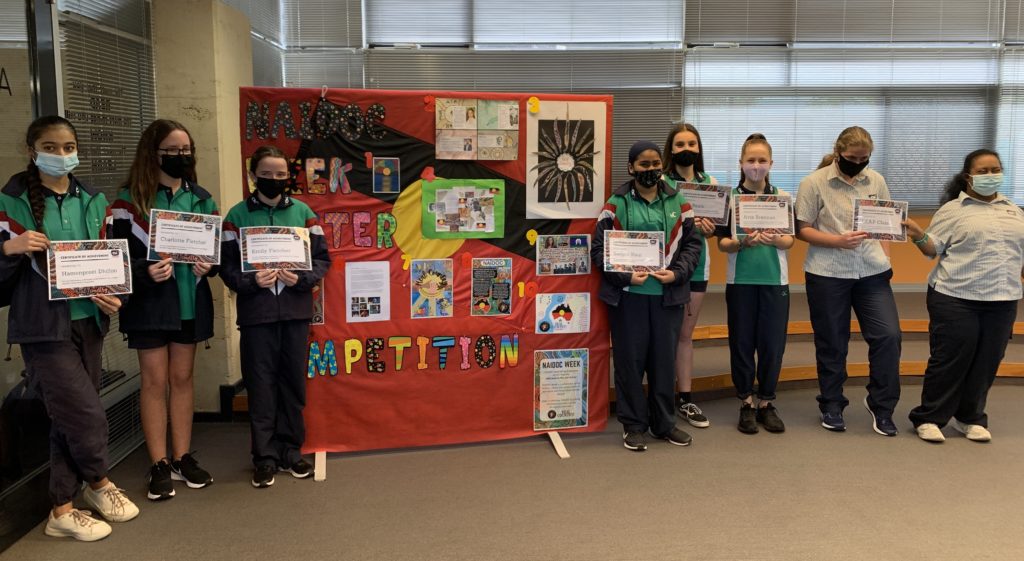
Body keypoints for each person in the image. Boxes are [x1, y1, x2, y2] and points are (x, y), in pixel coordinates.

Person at [0, 116, 139, 540]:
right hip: (43, 329)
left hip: (89, 322)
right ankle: (99, 481)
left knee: (68, 416)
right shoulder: (10, 202)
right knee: (86, 415)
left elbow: (110, 260)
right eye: (50, 147)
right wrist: (9, 248)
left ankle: (62, 508)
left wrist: (116, 296)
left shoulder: (95, 199)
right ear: (32, 151)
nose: (60, 155)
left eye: (67, 147)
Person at [108, 119, 219, 500]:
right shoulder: (127, 202)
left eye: (185, 150)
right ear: (152, 153)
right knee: (154, 382)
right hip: (149, 305)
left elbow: (214, 254)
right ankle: (158, 462)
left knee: (182, 379)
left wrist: (209, 267)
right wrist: (145, 271)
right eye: (171, 150)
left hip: (190, 301)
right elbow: (116, 259)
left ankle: (182, 456)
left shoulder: (202, 199)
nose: (180, 156)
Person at [221, 146, 332, 487]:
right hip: (257, 315)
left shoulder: (304, 213)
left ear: (289, 177)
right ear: (253, 176)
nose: (274, 180)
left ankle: (291, 451)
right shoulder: (236, 216)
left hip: (296, 313)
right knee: (261, 385)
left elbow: (323, 259)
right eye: (266, 174)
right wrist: (251, 281)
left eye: (280, 175)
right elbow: (226, 267)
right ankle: (264, 457)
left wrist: (303, 279)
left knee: (292, 384)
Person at [903, 149, 1024, 443]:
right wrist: (917, 233)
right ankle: (929, 417)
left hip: (1003, 299)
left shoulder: (1014, 211)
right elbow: (933, 249)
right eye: (982, 171)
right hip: (955, 297)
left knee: (987, 361)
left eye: (995, 169)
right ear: (968, 177)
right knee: (950, 359)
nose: (990, 175)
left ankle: (969, 417)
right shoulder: (952, 210)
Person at [592, 140, 703, 451]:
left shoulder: (679, 201)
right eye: (644, 164)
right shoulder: (615, 204)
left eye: (655, 164)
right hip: (629, 297)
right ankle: (633, 426)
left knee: (664, 363)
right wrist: (625, 276)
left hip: (668, 296)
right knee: (630, 363)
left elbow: (693, 245)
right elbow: (599, 250)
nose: (651, 169)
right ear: (631, 167)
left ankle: (664, 424)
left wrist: (677, 274)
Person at [795, 126, 901, 436]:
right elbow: (802, 229)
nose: (858, 163)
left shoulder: (876, 181)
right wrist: (837, 241)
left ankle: (882, 405)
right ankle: (831, 403)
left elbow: (887, 224)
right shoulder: (814, 182)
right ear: (838, 153)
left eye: (864, 159)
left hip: (872, 271)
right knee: (832, 342)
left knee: (889, 336)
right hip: (827, 272)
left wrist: (886, 258)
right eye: (852, 158)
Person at [716, 134, 793, 434]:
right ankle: (746, 402)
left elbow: (789, 240)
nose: (756, 165)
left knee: (772, 344)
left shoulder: (782, 197)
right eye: (751, 160)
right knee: (742, 342)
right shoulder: (731, 200)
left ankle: (766, 402)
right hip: (741, 282)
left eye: (762, 160)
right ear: (741, 163)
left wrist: (774, 239)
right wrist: (742, 242)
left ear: (771, 163)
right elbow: (722, 244)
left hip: (775, 282)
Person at [661, 123, 715, 428]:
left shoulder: (711, 183)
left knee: (684, 335)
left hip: (697, 268)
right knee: (663, 335)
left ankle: (685, 399)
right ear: (671, 149)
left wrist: (710, 228)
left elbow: (719, 227)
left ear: (699, 148)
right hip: (665, 268)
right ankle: (660, 397)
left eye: (691, 144)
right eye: (680, 144)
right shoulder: (660, 182)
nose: (686, 150)